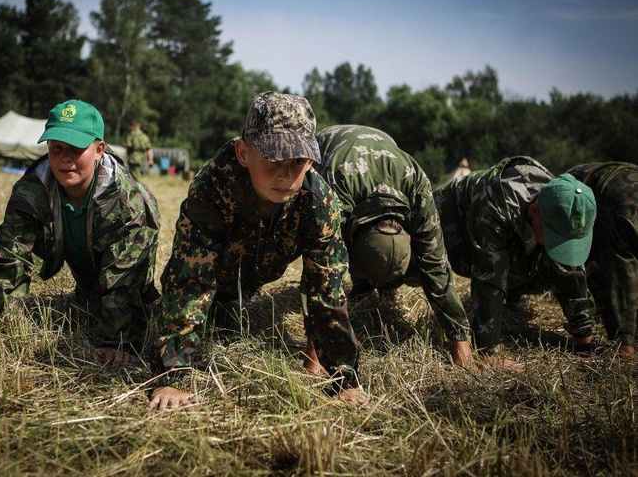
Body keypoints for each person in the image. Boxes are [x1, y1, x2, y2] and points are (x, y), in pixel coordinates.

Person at [148, 92, 365, 411]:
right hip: (216, 276)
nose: (287, 176)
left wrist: (345, 378)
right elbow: (190, 282)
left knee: (232, 319)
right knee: (206, 314)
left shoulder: (320, 203)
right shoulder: (212, 188)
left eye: (298, 162)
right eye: (274, 158)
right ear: (243, 152)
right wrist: (172, 376)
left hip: (256, 275)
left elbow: (326, 292)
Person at [0, 100, 160, 367]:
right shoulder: (32, 190)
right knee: (89, 302)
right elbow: (10, 259)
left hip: (125, 270)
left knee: (137, 307)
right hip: (83, 263)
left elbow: (125, 275)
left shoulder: (125, 202)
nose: (65, 159)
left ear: (99, 150)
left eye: (76, 149)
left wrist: (116, 342)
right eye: (57, 149)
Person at [313, 125, 472, 368]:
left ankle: (382, 281)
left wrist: (460, 344)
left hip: (387, 141)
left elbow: (436, 266)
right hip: (328, 145)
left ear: (409, 235)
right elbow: (323, 265)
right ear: (351, 241)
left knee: (405, 261)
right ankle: (363, 284)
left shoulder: (417, 186)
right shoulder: (336, 187)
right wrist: (315, 353)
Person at [433, 156, 598, 370]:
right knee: (410, 271)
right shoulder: (496, 206)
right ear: (533, 211)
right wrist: (487, 352)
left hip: (513, 231)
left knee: (553, 262)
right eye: (555, 236)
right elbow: (489, 280)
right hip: (448, 224)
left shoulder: (563, 203)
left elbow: (572, 274)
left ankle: (513, 293)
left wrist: (584, 338)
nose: (560, 244)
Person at [566, 162, 638, 355]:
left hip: (611, 185)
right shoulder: (629, 221)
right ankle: (513, 295)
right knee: (575, 259)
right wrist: (625, 343)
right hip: (581, 187)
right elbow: (624, 277)